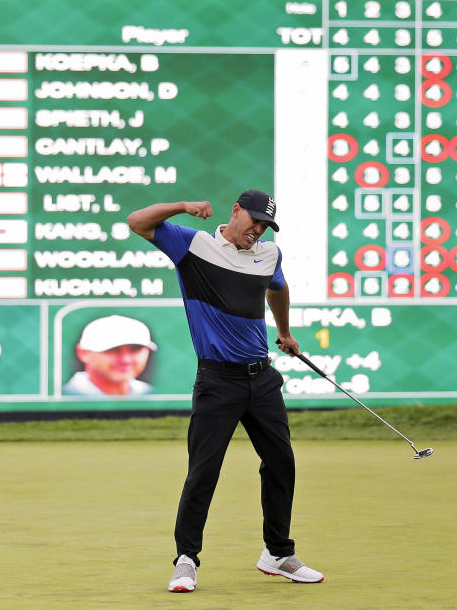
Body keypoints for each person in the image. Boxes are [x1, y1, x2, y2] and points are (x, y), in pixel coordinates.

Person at [127, 189, 323, 593]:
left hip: (262, 379)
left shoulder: (270, 254)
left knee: (281, 462)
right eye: (253, 221)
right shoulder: (191, 244)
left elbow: (278, 287)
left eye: (265, 226)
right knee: (203, 472)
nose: (258, 230)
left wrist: (283, 331)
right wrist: (183, 206)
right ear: (235, 211)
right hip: (217, 381)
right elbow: (138, 222)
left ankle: (278, 553)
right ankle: (186, 560)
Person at [63, 315, 157, 396]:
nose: (125, 359)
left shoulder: (148, 393)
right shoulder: (66, 395)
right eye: (112, 349)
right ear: (83, 353)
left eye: (135, 349)